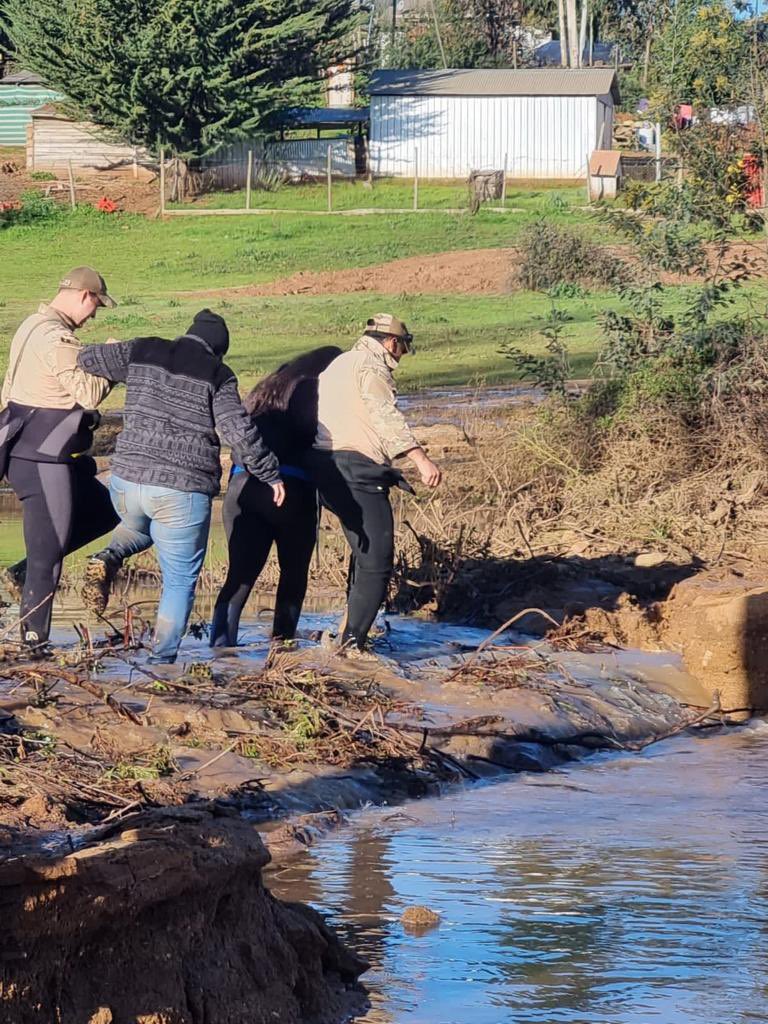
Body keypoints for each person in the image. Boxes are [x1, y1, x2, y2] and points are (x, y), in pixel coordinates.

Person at [77, 309, 284, 664]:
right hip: (181, 491)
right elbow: (238, 432)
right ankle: (161, 663)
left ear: (188, 334)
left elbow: (88, 357)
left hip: (125, 483)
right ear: (219, 350)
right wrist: (270, 474)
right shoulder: (219, 375)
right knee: (178, 582)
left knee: (142, 524)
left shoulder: (144, 349)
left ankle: (108, 556)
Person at [0, 267, 121, 654]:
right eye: (96, 306)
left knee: (106, 510)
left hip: (32, 453)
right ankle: (33, 645)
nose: (94, 316)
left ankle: (22, 571)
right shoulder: (57, 338)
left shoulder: (30, 325)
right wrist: (110, 363)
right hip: (44, 461)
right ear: (85, 296)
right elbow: (87, 394)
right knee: (47, 559)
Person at [307, 313, 442, 657]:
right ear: (392, 342)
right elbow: (384, 415)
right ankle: (353, 648)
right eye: (403, 347)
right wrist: (420, 459)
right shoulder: (371, 367)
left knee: (361, 551)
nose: (402, 356)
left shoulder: (337, 365)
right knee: (378, 562)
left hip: (325, 467)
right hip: (359, 470)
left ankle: (344, 630)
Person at [210, 345, 342, 648]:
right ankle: (283, 648)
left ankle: (219, 649)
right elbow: (322, 444)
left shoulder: (265, 389)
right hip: (292, 490)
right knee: (293, 576)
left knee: (239, 577)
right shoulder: (316, 391)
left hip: (242, 486)